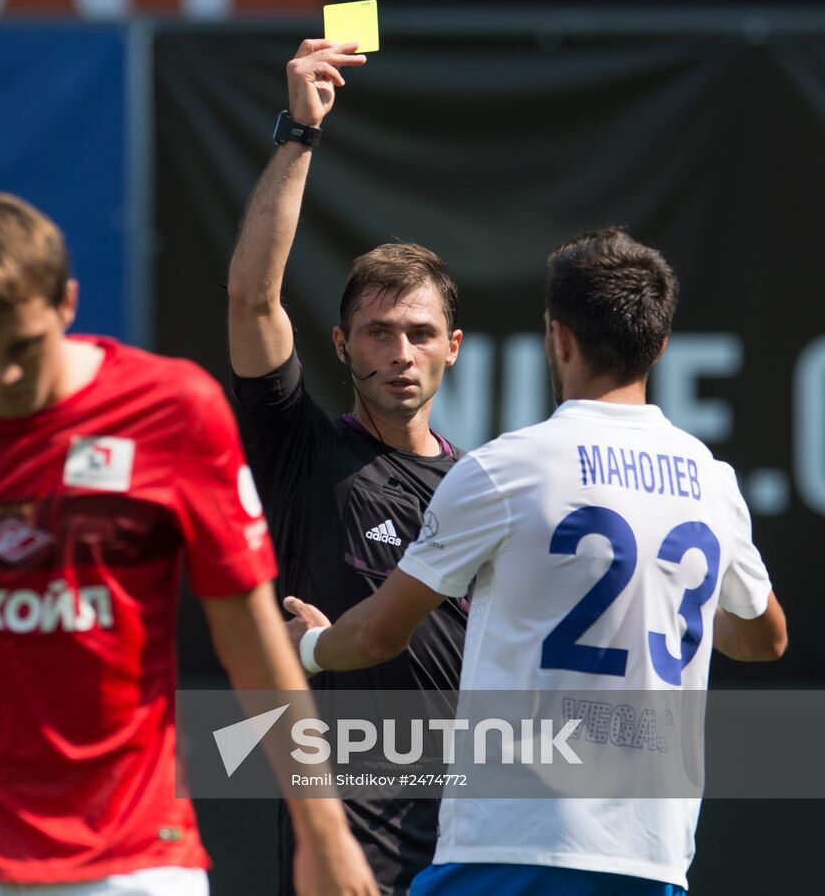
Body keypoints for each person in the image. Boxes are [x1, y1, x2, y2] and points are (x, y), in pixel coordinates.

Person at [0, 192, 377, 896]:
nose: (2, 376)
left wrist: (324, 831)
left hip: (134, 859)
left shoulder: (174, 408)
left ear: (67, 303)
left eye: (22, 347)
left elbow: (253, 637)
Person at [284, 228, 788, 895]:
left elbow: (379, 633)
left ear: (559, 338)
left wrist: (309, 647)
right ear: (661, 346)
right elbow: (765, 637)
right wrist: (661, 600)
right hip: (654, 856)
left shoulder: (506, 470)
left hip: (512, 841)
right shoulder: (711, 481)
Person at [228, 40, 466, 894]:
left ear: (452, 349)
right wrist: (300, 134)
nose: (400, 353)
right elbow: (252, 299)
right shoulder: (302, 449)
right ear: (341, 344)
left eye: (419, 334)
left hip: (476, 835)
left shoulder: (482, 489)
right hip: (346, 840)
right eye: (378, 332)